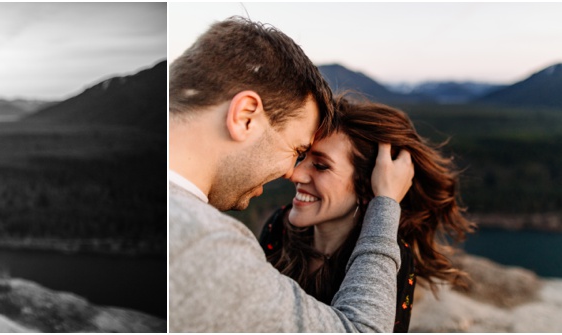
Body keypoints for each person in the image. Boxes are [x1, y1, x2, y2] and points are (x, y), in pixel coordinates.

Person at [169, 17, 415, 332]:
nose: (292, 173)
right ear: (245, 117)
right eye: (297, 149)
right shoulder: (208, 244)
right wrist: (386, 205)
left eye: (319, 163)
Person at [259, 100, 477, 332]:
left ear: (367, 188)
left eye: (321, 166)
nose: (294, 174)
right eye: (302, 156)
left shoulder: (390, 259)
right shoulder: (280, 226)